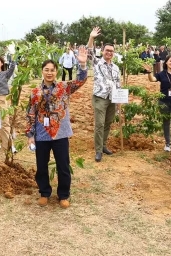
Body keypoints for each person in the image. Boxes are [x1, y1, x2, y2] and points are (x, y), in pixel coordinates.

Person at [26, 46, 88, 209]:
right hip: (42, 133)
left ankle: (63, 194)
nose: (49, 73)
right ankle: (44, 192)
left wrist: (82, 65)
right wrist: (30, 135)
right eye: (46, 70)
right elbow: (31, 113)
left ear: (56, 72)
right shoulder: (35, 92)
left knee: (63, 165)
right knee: (41, 165)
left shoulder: (64, 88)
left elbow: (80, 81)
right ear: (42, 71)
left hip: (60, 133)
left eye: (52, 70)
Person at [87, 27, 121, 162]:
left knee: (107, 123)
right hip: (100, 97)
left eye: (111, 51)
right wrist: (91, 38)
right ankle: (98, 150)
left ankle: (104, 146)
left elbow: (118, 84)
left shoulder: (116, 67)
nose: (109, 53)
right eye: (107, 50)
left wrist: (119, 100)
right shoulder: (97, 62)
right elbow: (89, 53)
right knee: (100, 124)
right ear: (103, 51)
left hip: (112, 98)